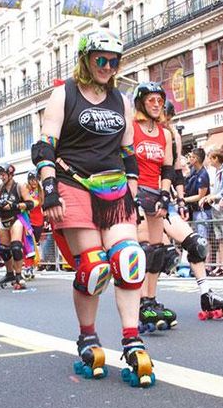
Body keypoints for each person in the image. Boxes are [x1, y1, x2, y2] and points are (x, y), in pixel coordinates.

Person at [34, 30, 155, 387]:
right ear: (86, 59)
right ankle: (87, 336)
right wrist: (49, 190)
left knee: (130, 259)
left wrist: (133, 194)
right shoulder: (65, 94)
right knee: (94, 267)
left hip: (114, 188)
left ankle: (132, 339)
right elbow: (45, 146)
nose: (107, 66)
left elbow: (129, 154)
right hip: (73, 184)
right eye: (100, 59)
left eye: (114, 61)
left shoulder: (121, 100)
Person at [133, 82, 223, 330]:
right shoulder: (133, 128)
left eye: (162, 104)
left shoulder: (169, 135)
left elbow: (173, 171)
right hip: (138, 195)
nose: (160, 110)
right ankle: (142, 302)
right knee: (148, 251)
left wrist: (177, 198)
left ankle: (206, 294)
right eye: (153, 102)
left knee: (196, 244)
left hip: (163, 196)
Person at [0, 163, 36, 290]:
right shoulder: (0, 187)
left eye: (3, 175)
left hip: (16, 218)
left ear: (10, 174)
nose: (2, 177)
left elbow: (30, 203)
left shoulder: (20, 187)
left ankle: (19, 275)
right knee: (3, 250)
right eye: (0, 175)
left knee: (16, 247)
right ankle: (10, 274)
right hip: (4, 220)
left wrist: (14, 205)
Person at [23, 172, 46, 279]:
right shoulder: (26, 191)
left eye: (35, 179)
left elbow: (43, 206)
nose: (33, 182)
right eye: (31, 180)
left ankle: (32, 265)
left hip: (39, 221)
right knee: (29, 244)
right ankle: (28, 266)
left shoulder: (41, 191)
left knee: (35, 244)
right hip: (28, 221)